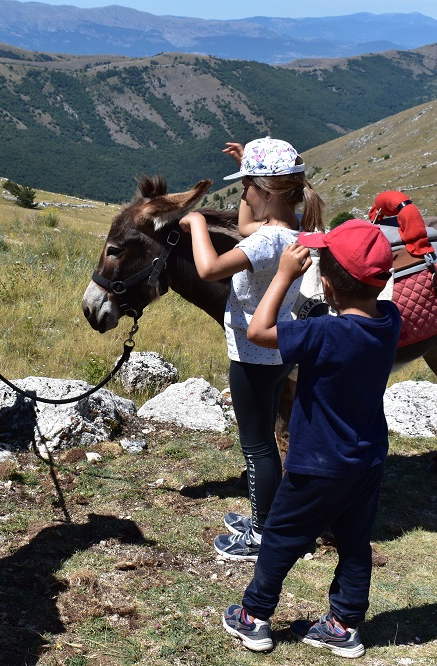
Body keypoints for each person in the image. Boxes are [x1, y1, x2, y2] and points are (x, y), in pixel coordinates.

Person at [221, 219, 402, 658]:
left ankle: (254, 617)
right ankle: (343, 625)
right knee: (354, 542)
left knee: (281, 537)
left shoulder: (325, 332)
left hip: (316, 463)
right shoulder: (390, 322)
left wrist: (283, 274)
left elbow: (259, 332)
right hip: (367, 459)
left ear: (325, 283)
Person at [178, 136, 325, 562]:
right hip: (280, 349)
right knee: (261, 437)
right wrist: (249, 166)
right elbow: (245, 227)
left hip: (251, 353)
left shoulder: (265, 243)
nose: (242, 195)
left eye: (246, 188)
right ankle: (267, 517)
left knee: (257, 443)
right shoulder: (292, 230)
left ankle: (263, 533)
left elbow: (207, 269)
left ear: (264, 191)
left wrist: (199, 224)